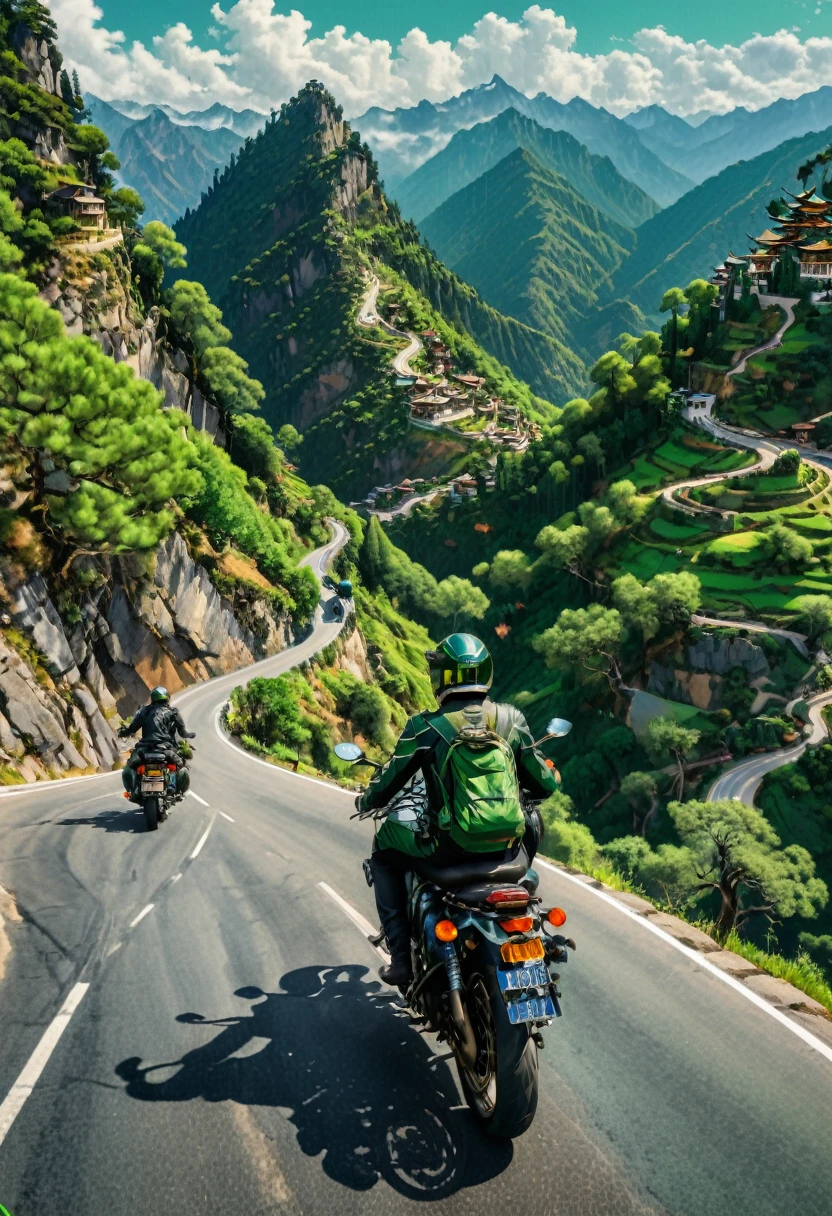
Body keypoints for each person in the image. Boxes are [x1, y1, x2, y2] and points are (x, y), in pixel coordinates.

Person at [357, 634, 561, 987]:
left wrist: (366, 800)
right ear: (486, 673)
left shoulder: (425, 726)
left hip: (448, 851)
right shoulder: (511, 719)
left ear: (442, 676)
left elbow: (387, 783)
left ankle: (402, 959)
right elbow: (543, 784)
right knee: (530, 820)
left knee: (384, 854)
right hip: (507, 852)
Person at [119, 686, 195, 801]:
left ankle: (133, 791)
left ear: (153, 698)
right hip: (166, 748)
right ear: (167, 698)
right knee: (180, 766)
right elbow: (182, 732)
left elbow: (132, 728)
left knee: (130, 766)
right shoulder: (172, 712)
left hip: (144, 748)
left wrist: (123, 732)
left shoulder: (144, 711)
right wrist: (189, 735)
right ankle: (174, 788)